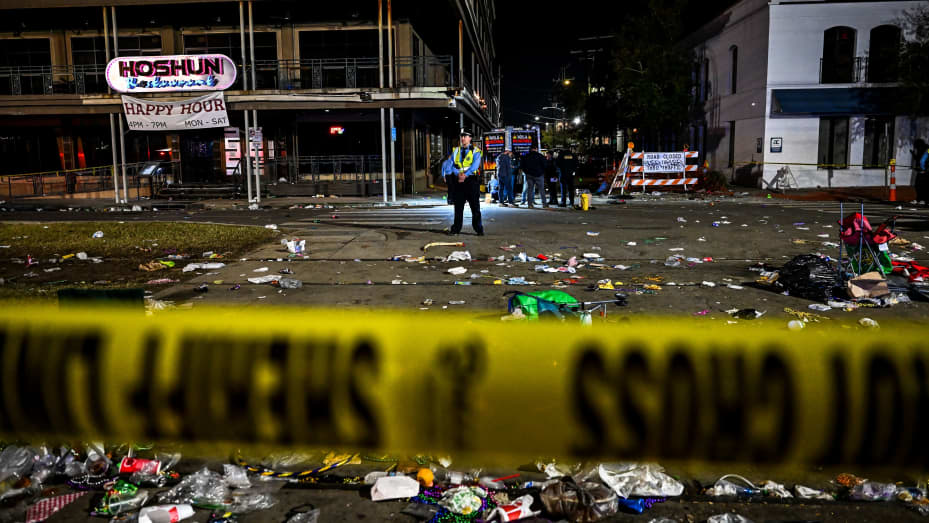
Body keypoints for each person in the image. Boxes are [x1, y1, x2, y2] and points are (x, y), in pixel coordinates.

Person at [449, 129, 484, 235]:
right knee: (458, 207)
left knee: (475, 207)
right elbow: (451, 164)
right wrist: (458, 174)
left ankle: (479, 229)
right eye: (462, 136)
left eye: (465, 136)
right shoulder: (456, 150)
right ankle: (456, 229)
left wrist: (465, 175)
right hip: (459, 181)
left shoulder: (476, 151)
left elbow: (475, 166)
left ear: (470, 138)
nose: (463, 138)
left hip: (471, 181)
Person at [520, 143, 547, 208]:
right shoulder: (540, 156)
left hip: (529, 175)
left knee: (530, 189)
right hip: (539, 175)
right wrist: (541, 172)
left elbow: (522, 166)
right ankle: (544, 204)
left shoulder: (526, 156)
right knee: (541, 190)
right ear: (536, 149)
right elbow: (545, 165)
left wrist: (527, 172)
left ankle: (530, 204)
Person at [915, 138, 929, 205]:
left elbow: (926, 159)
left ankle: (925, 200)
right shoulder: (920, 150)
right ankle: (919, 199)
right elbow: (920, 160)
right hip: (921, 171)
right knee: (917, 186)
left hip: (926, 172)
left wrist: (926, 168)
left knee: (924, 186)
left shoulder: (927, 150)